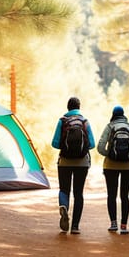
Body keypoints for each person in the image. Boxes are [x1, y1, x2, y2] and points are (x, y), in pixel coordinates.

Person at [51, 97, 95, 234]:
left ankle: (64, 206)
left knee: (64, 190)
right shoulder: (85, 122)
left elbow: (55, 143)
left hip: (64, 161)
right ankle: (75, 226)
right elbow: (92, 144)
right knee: (78, 193)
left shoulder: (62, 121)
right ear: (79, 107)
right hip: (82, 162)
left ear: (68, 107)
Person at [97, 105, 129, 235]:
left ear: (113, 114)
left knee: (112, 195)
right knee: (124, 196)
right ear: (123, 114)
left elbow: (100, 147)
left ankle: (113, 223)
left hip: (111, 166)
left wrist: (110, 154)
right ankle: (124, 225)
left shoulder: (109, 127)